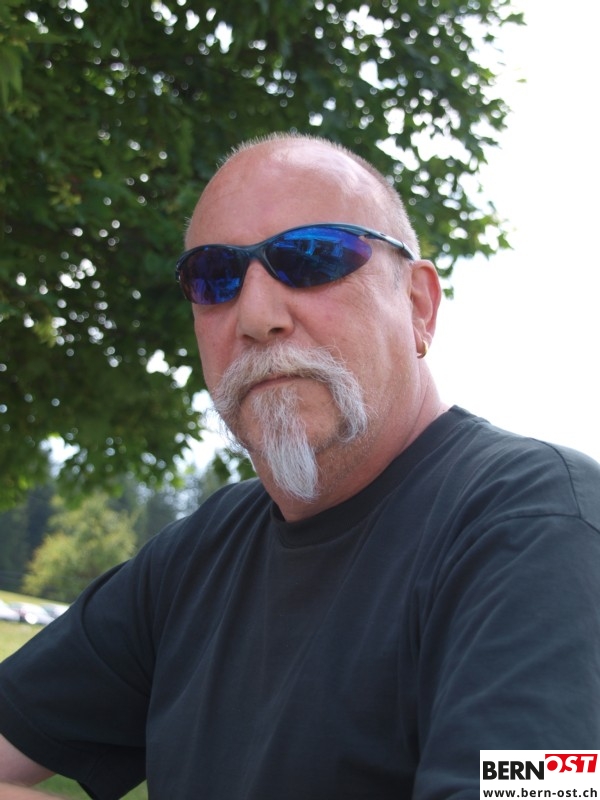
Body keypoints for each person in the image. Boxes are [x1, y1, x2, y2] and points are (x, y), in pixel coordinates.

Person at [1, 132, 600, 800]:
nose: (256, 316)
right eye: (214, 276)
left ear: (419, 306)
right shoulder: (195, 558)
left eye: (313, 256)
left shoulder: (538, 526)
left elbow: (551, 783)